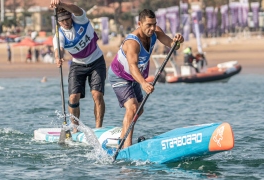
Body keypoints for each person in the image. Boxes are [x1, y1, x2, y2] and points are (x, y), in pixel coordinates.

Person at [108, 9, 184, 148]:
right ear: (139, 23)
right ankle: (127, 147)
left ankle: (122, 136)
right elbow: (132, 66)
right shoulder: (132, 43)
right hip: (120, 75)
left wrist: (178, 41)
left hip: (135, 77)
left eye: (154, 24)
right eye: (148, 25)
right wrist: (143, 83)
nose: (152, 28)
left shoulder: (156, 32)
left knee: (139, 110)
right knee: (132, 108)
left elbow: (173, 46)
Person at [50, 0, 106, 133]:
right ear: (58, 22)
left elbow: (75, 8)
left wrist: (61, 3)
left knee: (97, 94)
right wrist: (58, 57)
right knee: (73, 97)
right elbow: (59, 49)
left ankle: (98, 128)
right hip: (78, 64)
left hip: (96, 60)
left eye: (67, 19)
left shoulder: (80, 19)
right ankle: (75, 128)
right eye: (62, 21)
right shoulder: (59, 35)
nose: (66, 22)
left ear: (71, 16)